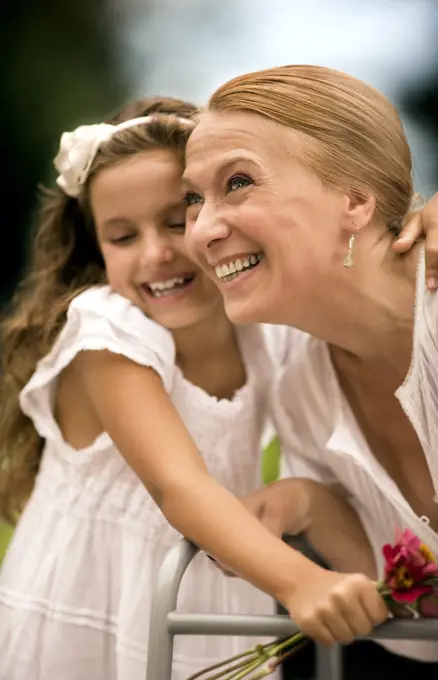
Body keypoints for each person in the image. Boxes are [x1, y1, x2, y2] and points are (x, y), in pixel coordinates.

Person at [0, 95, 301, 680]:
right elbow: (178, 484)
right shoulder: (107, 330)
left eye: (175, 219)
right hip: (91, 615)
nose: (157, 254)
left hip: (215, 602)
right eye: (122, 237)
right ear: (96, 251)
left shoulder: (267, 332)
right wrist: (304, 582)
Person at [183, 65, 438, 678]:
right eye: (193, 198)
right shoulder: (300, 391)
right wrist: (308, 503)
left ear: (355, 201)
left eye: (239, 182)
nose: (201, 230)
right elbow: (417, 622)